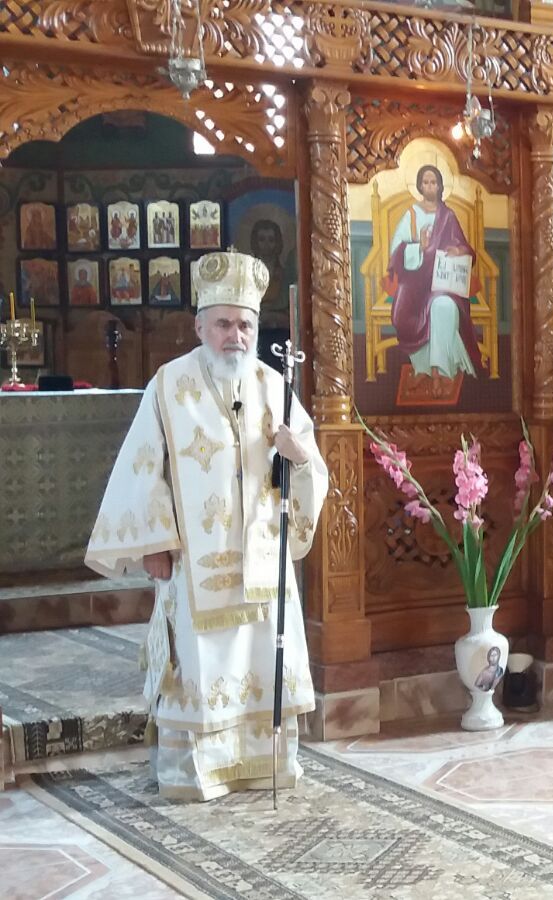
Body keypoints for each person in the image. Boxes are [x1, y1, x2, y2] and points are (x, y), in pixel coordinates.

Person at [84, 248, 329, 801]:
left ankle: (264, 763)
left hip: (261, 564)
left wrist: (299, 456)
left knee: (260, 658)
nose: (234, 336)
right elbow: (143, 467)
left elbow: (312, 471)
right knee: (197, 664)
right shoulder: (169, 386)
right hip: (193, 561)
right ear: (199, 327)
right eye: (223, 324)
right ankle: (193, 773)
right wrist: (153, 543)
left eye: (245, 325)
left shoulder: (276, 387)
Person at [385, 164, 481, 381]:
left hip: (442, 282)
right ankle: (423, 369)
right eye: (426, 182)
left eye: (433, 182)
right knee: (406, 314)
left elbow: (466, 249)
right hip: (415, 282)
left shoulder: (448, 216)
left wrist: (458, 250)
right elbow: (395, 251)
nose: (429, 186)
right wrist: (418, 246)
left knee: (443, 306)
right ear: (420, 186)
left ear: (439, 186)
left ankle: (440, 370)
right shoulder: (411, 214)